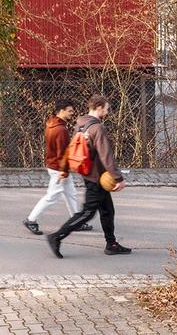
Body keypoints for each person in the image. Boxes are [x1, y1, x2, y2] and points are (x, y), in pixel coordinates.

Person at [46, 94, 132, 257]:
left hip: (88, 172)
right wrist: (118, 178)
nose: (107, 112)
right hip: (96, 177)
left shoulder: (81, 124)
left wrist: (65, 167)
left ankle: (111, 244)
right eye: (106, 109)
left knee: (107, 210)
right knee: (87, 213)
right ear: (99, 108)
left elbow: (72, 147)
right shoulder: (97, 128)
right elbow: (106, 155)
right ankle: (56, 236)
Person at [23, 99, 92, 236]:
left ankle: (75, 221)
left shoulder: (51, 124)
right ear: (61, 111)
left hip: (54, 165)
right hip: (58, 168)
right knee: (52, 196)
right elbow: (62, 153)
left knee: (70, 193)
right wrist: (63, 170)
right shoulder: (61, 130)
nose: (72, 113)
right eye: (69, 111)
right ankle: (31, 219)